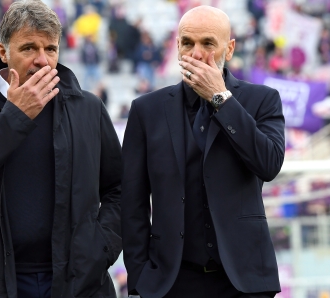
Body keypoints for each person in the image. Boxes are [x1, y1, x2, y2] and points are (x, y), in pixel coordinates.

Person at [0, 1, 122, 298]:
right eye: (28, 48)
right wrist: (15, 116)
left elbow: (119, 187)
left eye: (50, 49)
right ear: (3, 52)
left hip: (78, 280)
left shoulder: (88, 107)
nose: (42, 60)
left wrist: (100, 248)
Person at [121, 5, 285, 298]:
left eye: (208, 43)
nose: (196, 53)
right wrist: (139, 279)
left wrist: (221, 98)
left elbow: (269, 164)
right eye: (188, 43)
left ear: (229, 49)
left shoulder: (263, 100)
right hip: (171, 282)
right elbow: (132, 203)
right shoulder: (146, 110)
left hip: (243, 282)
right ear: (177, 47)